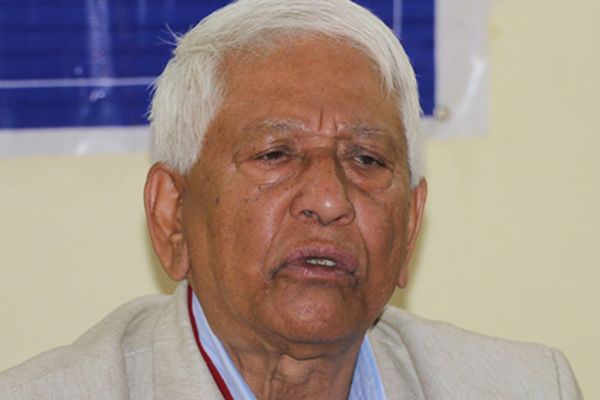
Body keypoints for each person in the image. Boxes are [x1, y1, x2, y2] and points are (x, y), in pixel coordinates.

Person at [0, 0, 582, 399]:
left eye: (367, 159)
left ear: (410, 225)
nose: (329, 201)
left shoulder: (528, 387)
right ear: (172, 214)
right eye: (275, 154)